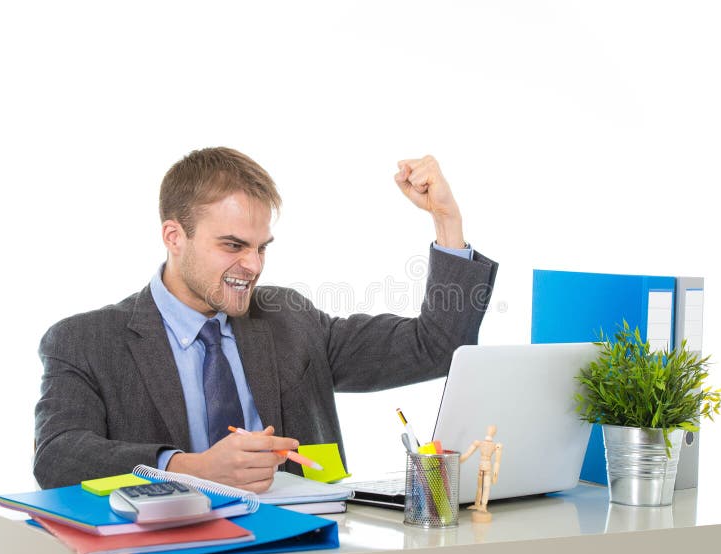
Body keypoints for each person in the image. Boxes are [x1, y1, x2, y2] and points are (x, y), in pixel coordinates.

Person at [34, 148, 499, 490]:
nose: (253, 266)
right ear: (173, 236)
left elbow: (437, 348)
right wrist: (190, 467)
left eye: (261, 248)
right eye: (233, 246)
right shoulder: (85, 341)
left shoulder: (289, 319)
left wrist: (446, 223)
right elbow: (58, 457)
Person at [460, 425, 503, 518]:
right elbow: (467, 454)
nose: (490, 431)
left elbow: (497, 461)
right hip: (481, 466)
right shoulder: (479, 443)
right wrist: (459, 460)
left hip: (487, 467)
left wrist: (495, 473)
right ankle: (477, 503)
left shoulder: (496, 446)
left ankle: (483, 505)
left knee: (486, 486)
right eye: (489, 429)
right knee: (479, 486)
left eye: (492, 430)